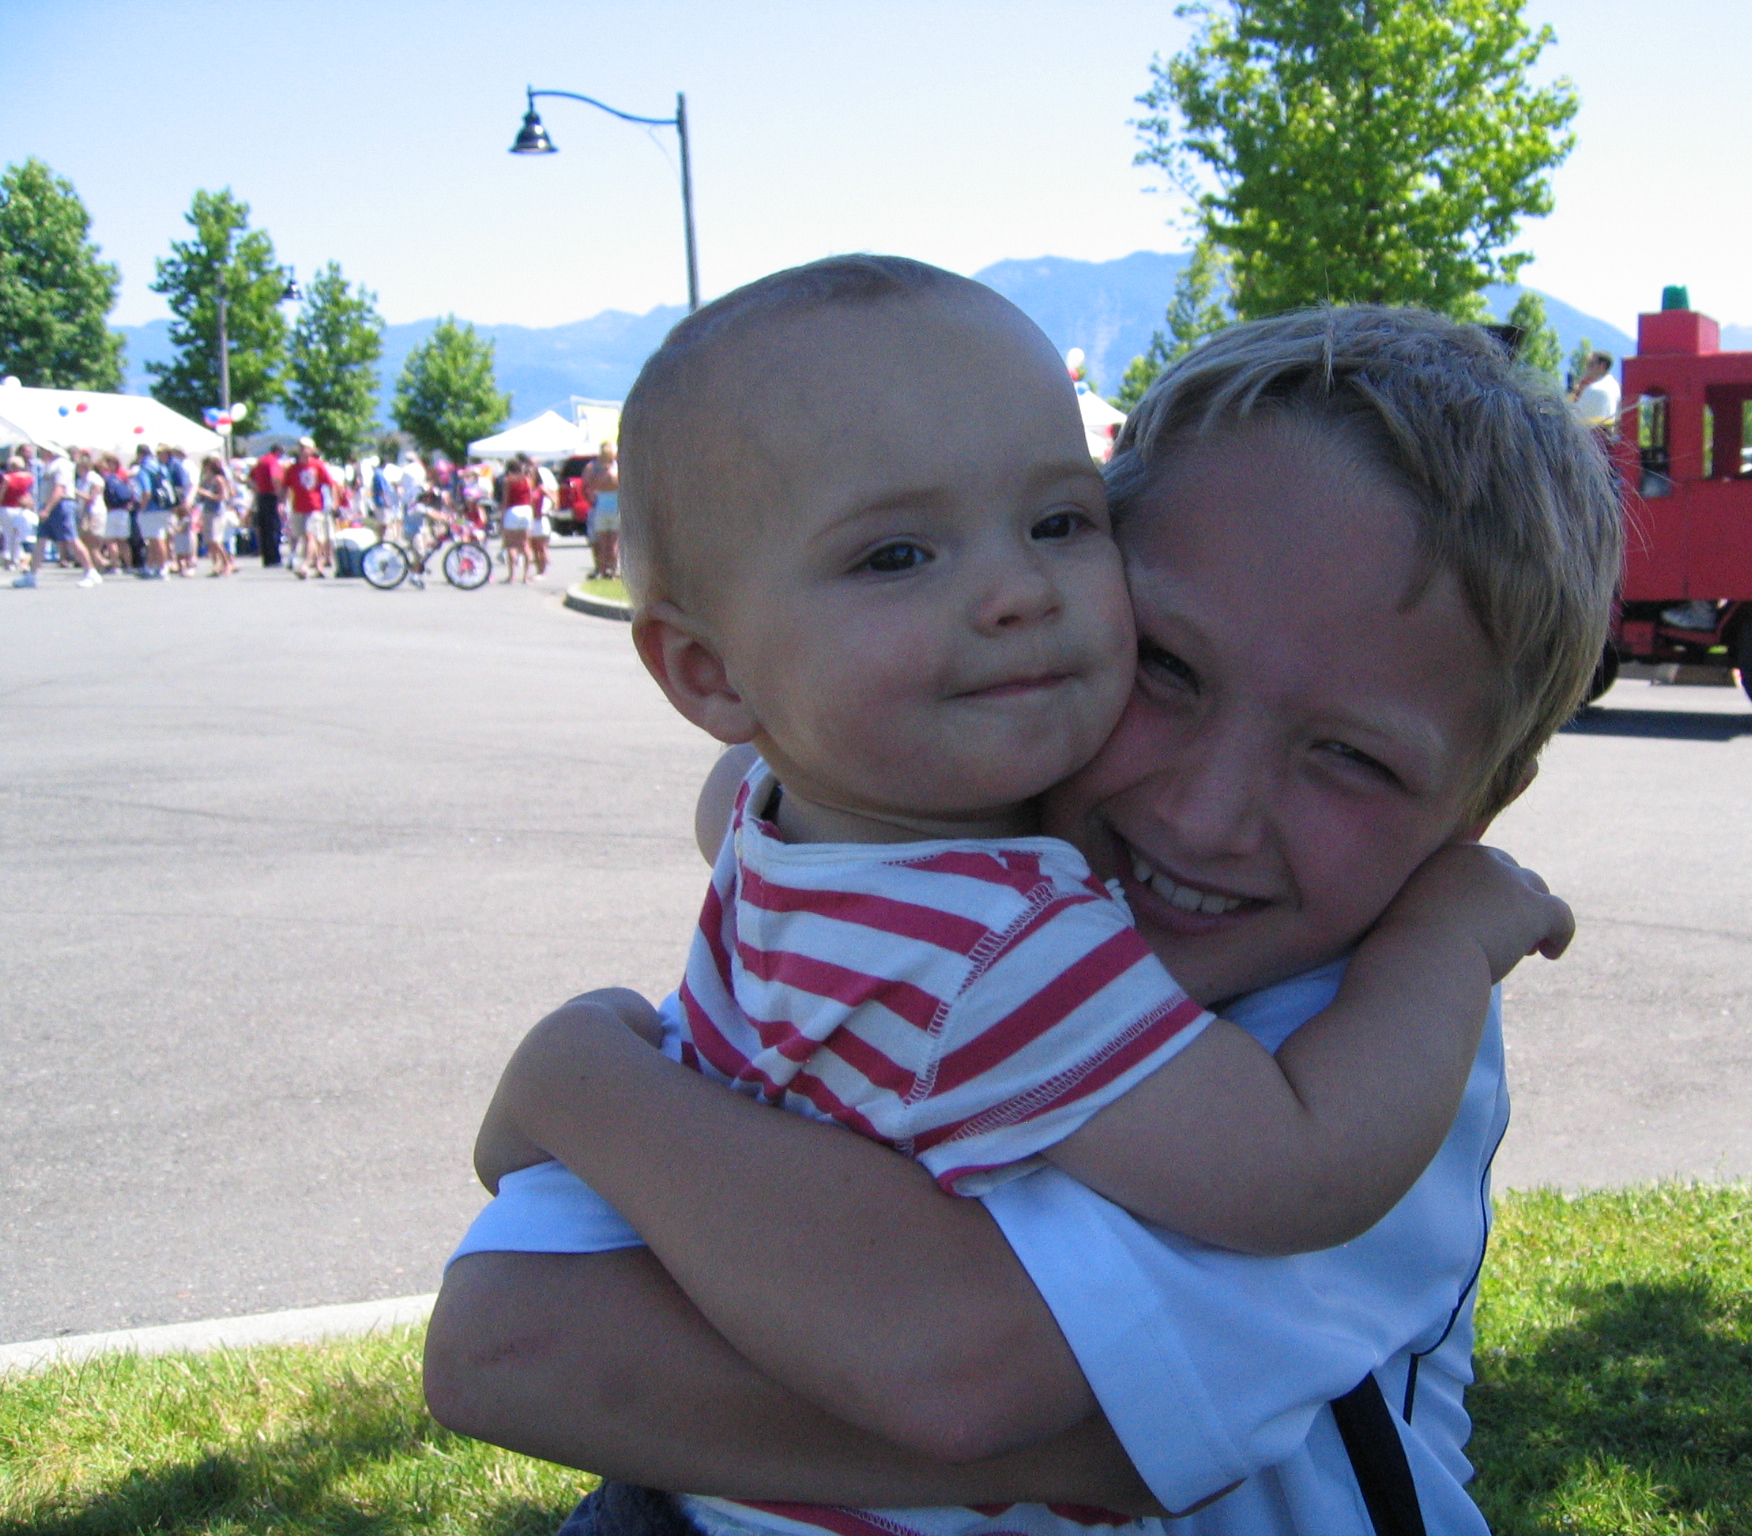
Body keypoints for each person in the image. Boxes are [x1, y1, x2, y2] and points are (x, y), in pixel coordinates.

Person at [427, 295, 1622, 1536]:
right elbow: (496, 1346)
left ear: (1482, 805)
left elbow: (942, 1368)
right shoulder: (950, 886)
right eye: (1165, 667)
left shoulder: (1370, 1047)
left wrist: (581, 1082)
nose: (1208, 815)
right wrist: (576, 1078)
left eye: (1352, 760)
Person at [15, 443, 100, 587]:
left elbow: (59, 489)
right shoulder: (49, 465)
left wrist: (47, 509)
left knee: (71, 539)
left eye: (43, 450)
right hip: (50, 505)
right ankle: (31, 576)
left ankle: (91, 572)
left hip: (60, 505)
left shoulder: (62, 465)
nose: (40, 452)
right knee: (40, 541)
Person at [285, 438, 337, 578]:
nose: (302, 449)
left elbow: (331, 484)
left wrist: (334, 502)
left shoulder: (318, 466)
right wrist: (281, 502)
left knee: (310, 535)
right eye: (300, 447)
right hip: (298, 506)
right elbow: (286, 487)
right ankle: (318, 565)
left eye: (305, 447)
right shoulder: (292, 468)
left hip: (314, 506)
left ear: (312, 450)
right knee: (304, 536)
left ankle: (305, 565)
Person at [132, 444, 173, 578]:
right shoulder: (160, 467)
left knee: (156, 538)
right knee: (159, 537)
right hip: (164, 506)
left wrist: (142, 508)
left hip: (151, 508)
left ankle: (162, 566)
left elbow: (146, 492)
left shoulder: (144, 469)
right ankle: (154, 565)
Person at [584, 439, 620, 579]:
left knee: (604, 543)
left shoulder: (597, 471)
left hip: (602, 509)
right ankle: (611, 570)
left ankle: (603, 569)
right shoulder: (617, 469)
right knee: (613, 543)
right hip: (615, 509)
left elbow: (592, 485)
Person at [197, 454, 237, 576]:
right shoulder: (205, 479)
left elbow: (222, 497)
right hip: (207, 511)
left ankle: (227, 562)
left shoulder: (218, 479)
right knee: (209, 541)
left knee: (216, 540)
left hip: (217, 512)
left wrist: (206, 493)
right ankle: (216, 565)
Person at [97, 453, 136, 573]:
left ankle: (115, 566)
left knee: (111, 540)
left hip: (112, 511)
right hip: (124, 510)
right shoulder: (121, 477)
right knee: (123, 541)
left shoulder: (105, 478)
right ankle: (129, 566)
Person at [499, 454, 534, 583]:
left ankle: (512, 576)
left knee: (511, 545)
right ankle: (526, 576)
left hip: (512, 510)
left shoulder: (508, 480)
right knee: (525, 544)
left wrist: (502, 517)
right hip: (526, 510)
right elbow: (530, 498)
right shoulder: (528, 480)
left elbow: (505, 499)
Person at [163, 445, 198, 575]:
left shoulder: (188, 465)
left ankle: (190, 561)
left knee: (186, 531)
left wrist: (188, 500)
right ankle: (179, 561)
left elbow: (193, 485)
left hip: (185, 501)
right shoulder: (173, 465)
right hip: (176, 502)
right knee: (175, 531)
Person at [249, 442, 285, 566]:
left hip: (261, 496)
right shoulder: (273, 462)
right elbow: (275, 478)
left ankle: (267, 558)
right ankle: (275, 558)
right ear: (278, 452)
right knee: (273, 528)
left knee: (264, 528)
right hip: (271, 496)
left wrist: (257, 488)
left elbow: (250, 478)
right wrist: (280, 496)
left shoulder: (261, 461)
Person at [1567, 350, 1618, 427]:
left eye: (1591, 364)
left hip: (1589, 436)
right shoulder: (1614, 386)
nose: (1587, 367)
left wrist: (1575, 391)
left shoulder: (1594, 389)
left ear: (1602, 366)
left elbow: (1569, 415)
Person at [1, 454, 33, 571]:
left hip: (7, 507)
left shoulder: (7, 478)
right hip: (21, 508)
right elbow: (28, 493)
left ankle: (9, 559)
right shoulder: (28, 477)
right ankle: (19, 557)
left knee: (7, 534)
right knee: (19, 535)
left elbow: (2, 494)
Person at [530, 459, 558, 577]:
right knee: (533, 548)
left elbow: (554, 499)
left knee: (540, 547)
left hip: (540, 520)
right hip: (530, 520)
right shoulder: (527, 488)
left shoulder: (540, 488)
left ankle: (542, 571)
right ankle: (538, 570)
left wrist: (548, 509)